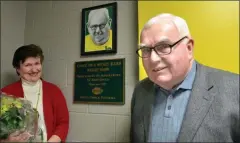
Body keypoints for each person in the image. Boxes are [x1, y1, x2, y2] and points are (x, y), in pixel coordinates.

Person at [131, 13, 239, 142]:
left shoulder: (235, 88)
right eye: (146, 50)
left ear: (189, 48)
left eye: (164, 46)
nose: (153, 59)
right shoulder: (141, 90)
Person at [1, 44, 69, 142]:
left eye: (37, 63)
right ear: (17, 68)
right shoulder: (6, 93)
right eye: (28, 65)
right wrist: (7, 140)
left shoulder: (54, 91)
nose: (34, 69)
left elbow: (63, 123)